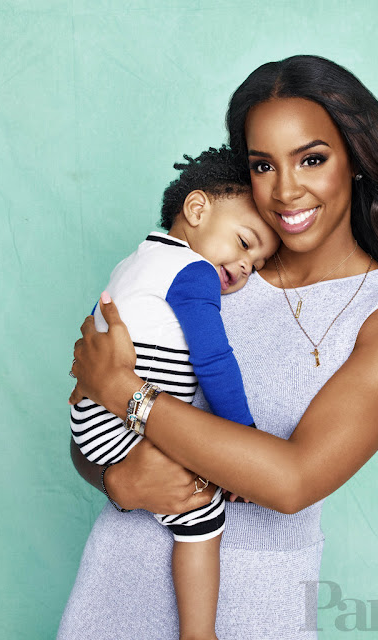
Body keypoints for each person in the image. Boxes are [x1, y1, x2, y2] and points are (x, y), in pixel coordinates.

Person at [59, 55, 378, 640]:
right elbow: (89, 426)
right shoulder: (219, 266)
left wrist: (128, 393)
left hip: (253, 613)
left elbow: (291, 481)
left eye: (312, 159)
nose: (286, 189)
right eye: (263, 165)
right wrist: (116, 482)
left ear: (355, 159)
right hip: (111, 593)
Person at [69, 144, 280, 640]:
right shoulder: (194, 271)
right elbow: (213, 358)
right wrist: (242, 436)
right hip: (120, 425)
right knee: (203, 515)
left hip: (90, 421)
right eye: (245, 243)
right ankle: (199, 632)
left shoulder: (135, 261)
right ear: (197, 209)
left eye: (257, 264)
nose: (245, 267)